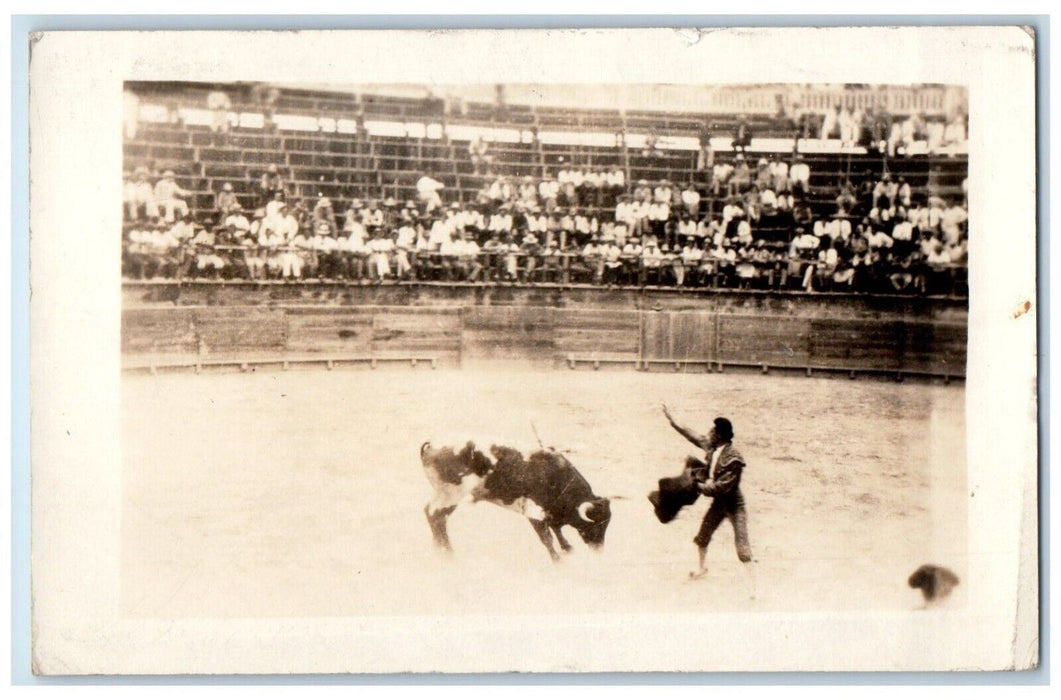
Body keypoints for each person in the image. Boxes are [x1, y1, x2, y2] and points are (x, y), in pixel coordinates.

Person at [660, 406, 756, 595]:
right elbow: (692, 434)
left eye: (712, 431)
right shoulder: (712, 447)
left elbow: (721, 487)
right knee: (702, 537)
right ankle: (701, 569)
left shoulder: (735, 459)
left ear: (720, 436)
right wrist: (673, 419)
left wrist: (696, 486)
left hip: (735, 506)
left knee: (742, 547)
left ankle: (755, 587)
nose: (708, 433)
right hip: (719, 505)